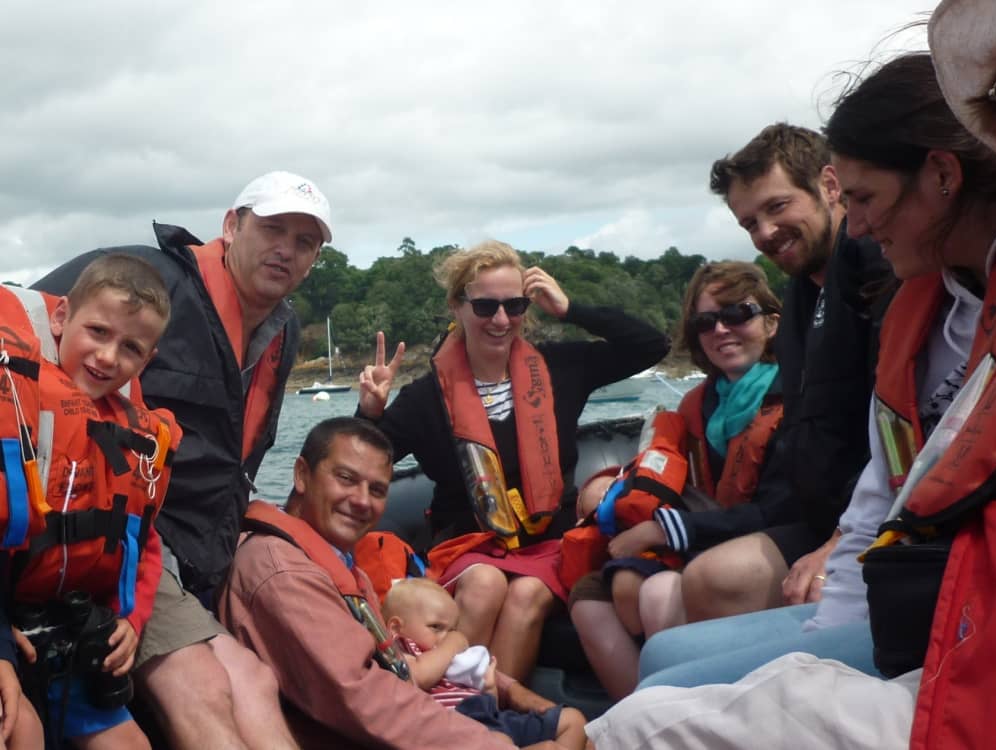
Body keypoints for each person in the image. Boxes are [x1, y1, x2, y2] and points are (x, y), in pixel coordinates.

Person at [583, 43, 996, 749]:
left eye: (863, 198)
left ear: (941, 174)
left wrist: (835, 570)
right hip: (890, 582)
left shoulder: (879, 279)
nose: (860, 225)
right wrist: (831, 625)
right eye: (749, 222)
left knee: (654, 694)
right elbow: (881, 472)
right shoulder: (908, 302)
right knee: (653, 649)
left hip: (945, 606)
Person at [31, 171, 330, 749]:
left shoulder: (283, 330)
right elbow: (32, 330)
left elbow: (243, 458)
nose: (285, 250)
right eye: (273, 229)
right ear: (230, 225)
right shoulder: (149, 278)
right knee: (202, 687)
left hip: (195, 549)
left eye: (304, 242)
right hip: (122, 532)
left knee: (255, 681)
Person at [357, 240, 669, 681]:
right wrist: (369, 412)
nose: (501, 320)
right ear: (457, 306)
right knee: (485, 584)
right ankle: (438, 713)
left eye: (514, 305)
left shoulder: (562, 368)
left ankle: (488, 714)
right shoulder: (425, 399)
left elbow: (651, 345)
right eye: (485, 307)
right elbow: (366, 459)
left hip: (550, 543)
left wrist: (569, 309)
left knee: (528, 595)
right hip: (468, 545)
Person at [219, 416, 574, 750]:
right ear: (301, 475)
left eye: (376, 489)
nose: (361, 500)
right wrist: (492, 744)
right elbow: (365, 700)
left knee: (577, 730)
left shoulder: (334, 564)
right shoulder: (284, 573)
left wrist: (519, 696)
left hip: (410, 725)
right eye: (345, 478)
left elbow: (398, 661)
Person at [668, 123, 890, 624]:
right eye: (749, 223)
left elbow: (898, 427)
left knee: (710, 580)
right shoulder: (799, 298)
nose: (765, 233)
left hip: (871, 524)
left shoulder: (873, 267)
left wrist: (841, 540)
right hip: (814, 519)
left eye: (777, 207)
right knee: (700, 578)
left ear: (830, 187)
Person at [569, 261, 792, 698]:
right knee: (588, 598)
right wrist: (605, 487)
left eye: (737, 314)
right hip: (695, 538)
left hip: (761, 540)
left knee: (654, 596)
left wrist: (667, 531)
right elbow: (658, 471)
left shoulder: (796, 397)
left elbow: (783, 507)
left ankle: (691, 715)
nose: (721, 329)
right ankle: (644, 717)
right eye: (706, 321)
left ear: (770, 322)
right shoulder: (698, 404)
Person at [5, 254, 182, 748]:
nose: (108, 357)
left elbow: (141, 542)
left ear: (147, 360)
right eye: (98, 332)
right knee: (21, 733)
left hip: (72, 637)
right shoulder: (14, 401)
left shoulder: (132, 433)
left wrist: (132, 618)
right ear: (61, 318)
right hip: (8, 629)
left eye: (130, 347)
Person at [382, 578, 587, 748]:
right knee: (501, 742)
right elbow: (418, 676)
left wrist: (489, 690)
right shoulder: (402, 653)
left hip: (488, 719)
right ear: (396, 628)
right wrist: (453, 644)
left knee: (573, 720)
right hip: (452, 728)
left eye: (452, 629)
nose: (448, 636)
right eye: (436, 627)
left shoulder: (448, 657)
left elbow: (485, 707)